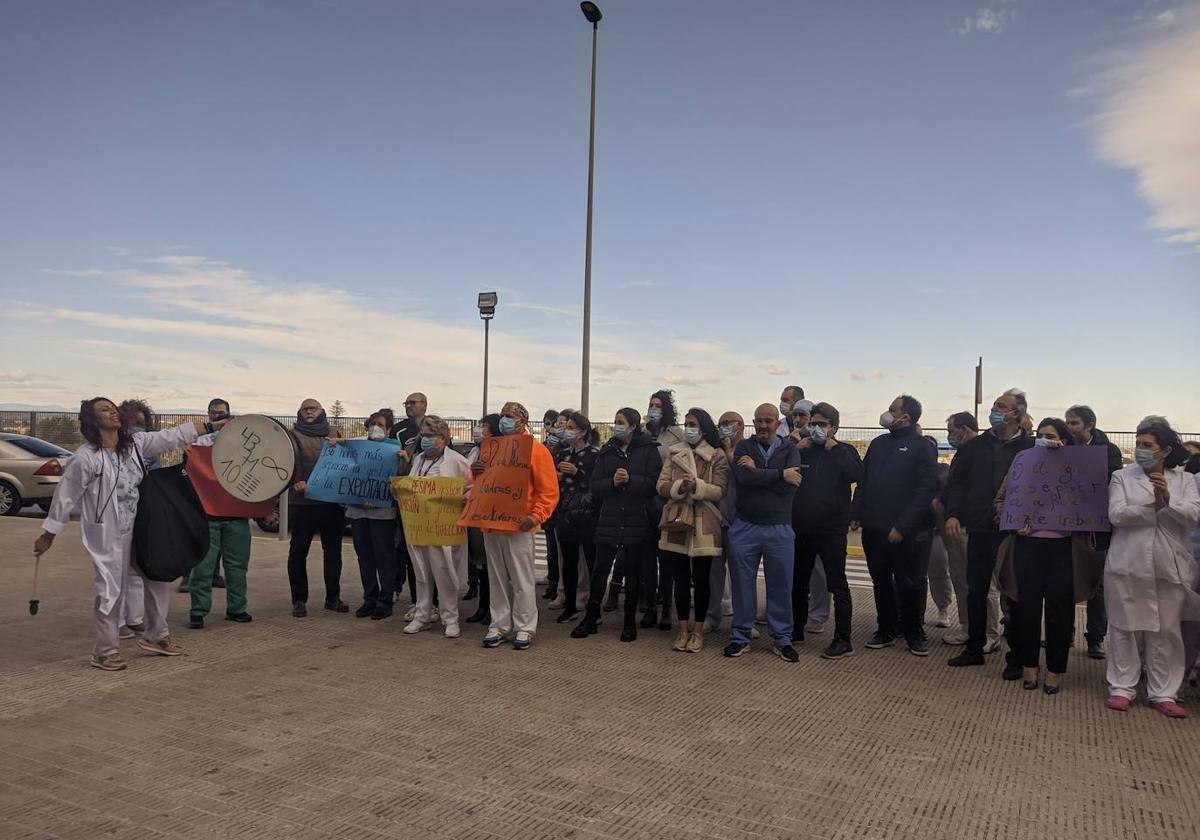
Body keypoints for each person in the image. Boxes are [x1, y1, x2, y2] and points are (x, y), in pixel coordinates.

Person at [33, 398, 226, 671]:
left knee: (157, 576)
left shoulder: (135, 446)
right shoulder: (86, 457)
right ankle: (104, 650)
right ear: (91, 420)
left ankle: (156, 635)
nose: (112, 412)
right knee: (110, 590)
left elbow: (171, 436)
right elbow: (65, 496)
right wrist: (49, 533)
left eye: (113, 408)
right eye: (104, 409)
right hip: (109, 532)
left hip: (142, 526)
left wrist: (211, 426)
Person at [1104, 422, 1200, 717]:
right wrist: (1153, 506)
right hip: (1127, 562)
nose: (1141, 450)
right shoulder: (1121, 476)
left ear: (1166, 450)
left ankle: (1164, 692)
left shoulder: (1183, 480)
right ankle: (1122, 687)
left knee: (1166, 630)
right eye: (1139, 443)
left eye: (1148, 445)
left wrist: (1168, 500)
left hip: (1169, 565)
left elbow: (1193, 515)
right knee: (1124, 627)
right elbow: (1117, 515)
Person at [945, 389, 1034, 676]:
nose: (995, 409)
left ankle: (1016, 657)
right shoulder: (974, 447)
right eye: (995, 404)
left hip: (1015, 530)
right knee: (976, 589)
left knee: (1014, 593)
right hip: (981, 527)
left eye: (1002, 406)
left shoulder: (1031, 449)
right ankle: (974, 647)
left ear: (1017, 415)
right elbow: (957, 483)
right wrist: (954, 513)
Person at [851, 395, 939, 657]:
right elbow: (863, 482)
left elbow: (925, 490)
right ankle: (886, 629)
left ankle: (914, 632)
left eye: (892, 410)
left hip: (908, 532)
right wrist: (856, 513)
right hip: (875, 528)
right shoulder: (878, 444)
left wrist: (903, 525)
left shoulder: (923, 447)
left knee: (911, 581)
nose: (887, 414)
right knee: (881, 579)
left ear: (906, 417)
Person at [996, 418, 1078, 695]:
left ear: (1064, 440)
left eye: (1051, 435)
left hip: (1062, 549)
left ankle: (1055, 670)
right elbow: (1001, 500)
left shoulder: (1077, 468)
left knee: (1059, 612)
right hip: (1027, 546)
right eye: (1041, 435)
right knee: (1025, 609)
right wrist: (1012, 520)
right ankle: (1029, 665)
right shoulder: (1022, 463)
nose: (1045, 439)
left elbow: (1090, 503)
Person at [571, 408, 662, 642]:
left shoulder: (648, 450)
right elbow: (595, 485)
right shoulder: (607, 450)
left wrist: (632, 481)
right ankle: (591, 618)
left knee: (632, 573)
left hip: (635, 518)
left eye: (621, 422)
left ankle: (629, 622)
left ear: (633, 426)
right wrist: (611, 482)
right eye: (615, 422)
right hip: (609, 517)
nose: (616, 426)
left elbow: (655, 484)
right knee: (600, 571)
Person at [724, 403, 802, 661]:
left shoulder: (791, 449)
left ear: (777, 422)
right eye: (758, 421)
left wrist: (757, 472)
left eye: (768, 420)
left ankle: (782, 638)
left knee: (780, 584)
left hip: (779, 527)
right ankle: (740, 636)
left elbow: (791, 488)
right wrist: (780, 475)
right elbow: (743, 479)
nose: (762, 425)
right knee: (742, 584)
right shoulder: (744, 448)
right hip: (745, 525)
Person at [480, 402, 559, 650]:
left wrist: (536, 516)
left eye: (510, 416)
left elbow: (548, 490)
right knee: (497, 579)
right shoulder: (491, 448)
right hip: (491, 524)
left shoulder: (536, 450)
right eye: (503, 416)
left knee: (522, 579)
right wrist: (476, 472)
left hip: (519, 525)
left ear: (523, 421)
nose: (504, 420)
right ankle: (499, 624)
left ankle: (525, 627)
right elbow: (482, 485)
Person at [791, 402, 863, 659]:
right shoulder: (803, 450)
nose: (817, 429)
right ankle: (795, 629)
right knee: (798, 582)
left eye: (822, 425)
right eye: (814, 424)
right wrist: (794, 449)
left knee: (837, 584)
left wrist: (835, 450)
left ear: (834, 427)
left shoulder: (844, 450)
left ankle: (843, 639)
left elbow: (857, 474)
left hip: (831, 530)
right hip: (802, 527)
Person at [657, 408, 729, 653]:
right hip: (677, 521)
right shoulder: (674, 452)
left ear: (704, 427)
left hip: (705, 522)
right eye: (686, 423)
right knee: (680, 579)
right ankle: (682, 630)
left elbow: (720, 490)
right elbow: (661, 485)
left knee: (701, 579)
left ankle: (698, 632)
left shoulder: (717, 455)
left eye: (693, 423)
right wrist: (679, 486)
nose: (688, 427)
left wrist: (696, 485)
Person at [933, 412, 1000, 648]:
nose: (950, 436)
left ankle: (990, 633)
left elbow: (975, 489)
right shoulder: (964, 452)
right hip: (954, 522)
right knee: (961, 578)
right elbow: (956, 484)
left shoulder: (983, 451)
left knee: (982, 582)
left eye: (951, 430)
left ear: (964, 429)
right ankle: (967, 627)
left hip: (973, 525)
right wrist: (944, 499)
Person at [187, 398, 253, 629]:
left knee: (237, 567)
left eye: (222, 413)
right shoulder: (197, 442)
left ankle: (237, 608)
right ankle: (198, 611)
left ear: (229, 413)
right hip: (208, 516)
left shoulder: (241, 441)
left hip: (236, 515)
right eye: (214, 413)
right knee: (203, 567)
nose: (218, 417)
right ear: (208, 414)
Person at [404, 416, 473, 638]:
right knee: (421, 573)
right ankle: (422, 615)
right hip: (420, 527)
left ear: (442, 438)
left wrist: (463, 498)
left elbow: (471, 487)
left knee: (445, 573)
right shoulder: (418, 460)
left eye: (430, 436)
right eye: (423, 436)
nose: (425, 440)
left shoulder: (456, 461)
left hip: (443, 528)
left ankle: (450, 618)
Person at [1065, 404, 1125, 660]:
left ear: (1089, 425)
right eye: (1067, 422)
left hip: (1098, 528)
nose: (1069, 427)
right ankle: (1064, 633)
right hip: (1068, 526)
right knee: (1066, 581)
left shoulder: (1109, 450)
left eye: (1075, 423)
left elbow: (1112, 480)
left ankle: (1095, 638)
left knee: (1097, 585)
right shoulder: (1064, 448)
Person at [286, 398, 347, 617]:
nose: (309, 411)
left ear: (321, 411)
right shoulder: (291, 436)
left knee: (333, 552)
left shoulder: (335, 433)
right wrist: (297, 482)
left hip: (330, 503)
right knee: (298, 552)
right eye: (305, 409)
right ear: (299, 412)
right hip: (302, 503)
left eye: (313, 408)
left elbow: (347, 461)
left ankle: (333, 598)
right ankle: (299, 600)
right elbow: (287, 464)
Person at [340, 412, 400, 621]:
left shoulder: (395, 450)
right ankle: (369, 598)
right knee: (365, 558)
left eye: (380, 424)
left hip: (383, 513)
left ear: (389, 429)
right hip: (358, 512)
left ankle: (385, 601)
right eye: (372, 424)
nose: (376, 427)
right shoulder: (356, 449)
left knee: (384, 557)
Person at [114, 398, 159, 636]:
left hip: (143, 512)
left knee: (137, 568)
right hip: (120, 516)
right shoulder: (112, 448)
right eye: (132, 423)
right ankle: (118, 619)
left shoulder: (146, 446)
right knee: (118, 569)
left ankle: (135, 616)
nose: (136, 428)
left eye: (141, 423)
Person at [786, 398, 830, 635]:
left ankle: (819, 615)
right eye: (795, 416)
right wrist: (792, 446)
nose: (798, 420)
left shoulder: (826, 446)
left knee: (820, 573)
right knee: (798, 573)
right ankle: (797, 619)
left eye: (802, 416)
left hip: (821, 522)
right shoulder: (792, 443)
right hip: (796, 518)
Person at [643, 390, 686, 630]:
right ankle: (649, 606)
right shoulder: (642, 431)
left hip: (667, 500)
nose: (653, 408)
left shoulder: (676, 434)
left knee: (667, 558)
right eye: (651, 404)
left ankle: (667, 609)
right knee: (648, 558)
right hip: (646, 499)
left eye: (658, 405)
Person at [553, 411, 600, 625]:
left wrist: (576, 472)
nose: (567, 431)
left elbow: (596, 484)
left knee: (591, 562)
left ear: (582, 432)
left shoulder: (593, 455)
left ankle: (594, 607)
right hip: (565, 512)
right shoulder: (561, 453)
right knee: (568, 562)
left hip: (587, 515)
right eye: (567, 427)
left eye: (572, 428)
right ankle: (570, 605)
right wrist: (559, 476)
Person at [704, 411, 742, 633]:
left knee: (740, 574)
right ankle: (713, 616)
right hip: (717, 519)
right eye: (721, 424)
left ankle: (742, 619)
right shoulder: (714, 453)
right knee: (714, 573)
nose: (725, 427)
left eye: (729, 423)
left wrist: (730, 453)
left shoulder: (748, 450)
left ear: (741, 426)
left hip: (740, 521)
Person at [465, 414, 502, 625]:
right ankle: (482, 605)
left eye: (484, 426)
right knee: (480, 564)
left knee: (492, 566)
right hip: (474, 509)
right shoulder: (474, 451)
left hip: (491, 511)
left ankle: (493, 608)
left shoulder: (500, 450)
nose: (480, 429)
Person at [541, 408, 566, 604]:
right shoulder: (544, 448)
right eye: (548, 425)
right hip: (549, 506)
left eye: (555, 424)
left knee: (561, 550)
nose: (551, 429)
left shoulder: (566, 451)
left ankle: (560, 586)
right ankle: (552, 582)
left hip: (563, 504)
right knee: (551, 547)